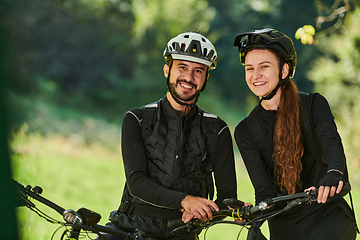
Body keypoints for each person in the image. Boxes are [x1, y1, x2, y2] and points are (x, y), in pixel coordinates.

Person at [100, 31, 237, 240]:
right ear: (167, 70)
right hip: (130, 226)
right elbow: (136, 182)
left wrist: (208, 211)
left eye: (198, 71)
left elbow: (227, 198)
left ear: (206, 78)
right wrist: (186, 201)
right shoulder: (136, 119)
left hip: (181, 232)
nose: (189, 78)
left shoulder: (217, 130)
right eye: (182, 67)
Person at [233, 28, 357, 240]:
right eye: (249, 68)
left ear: (283, 70)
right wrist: (254, 217)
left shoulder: (313, 105)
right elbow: (265, 190)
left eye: (264, 67)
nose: (255, 76)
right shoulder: (245, 130)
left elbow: (332, 145)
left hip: (327, 215)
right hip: (285, 228)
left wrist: (334, 173)